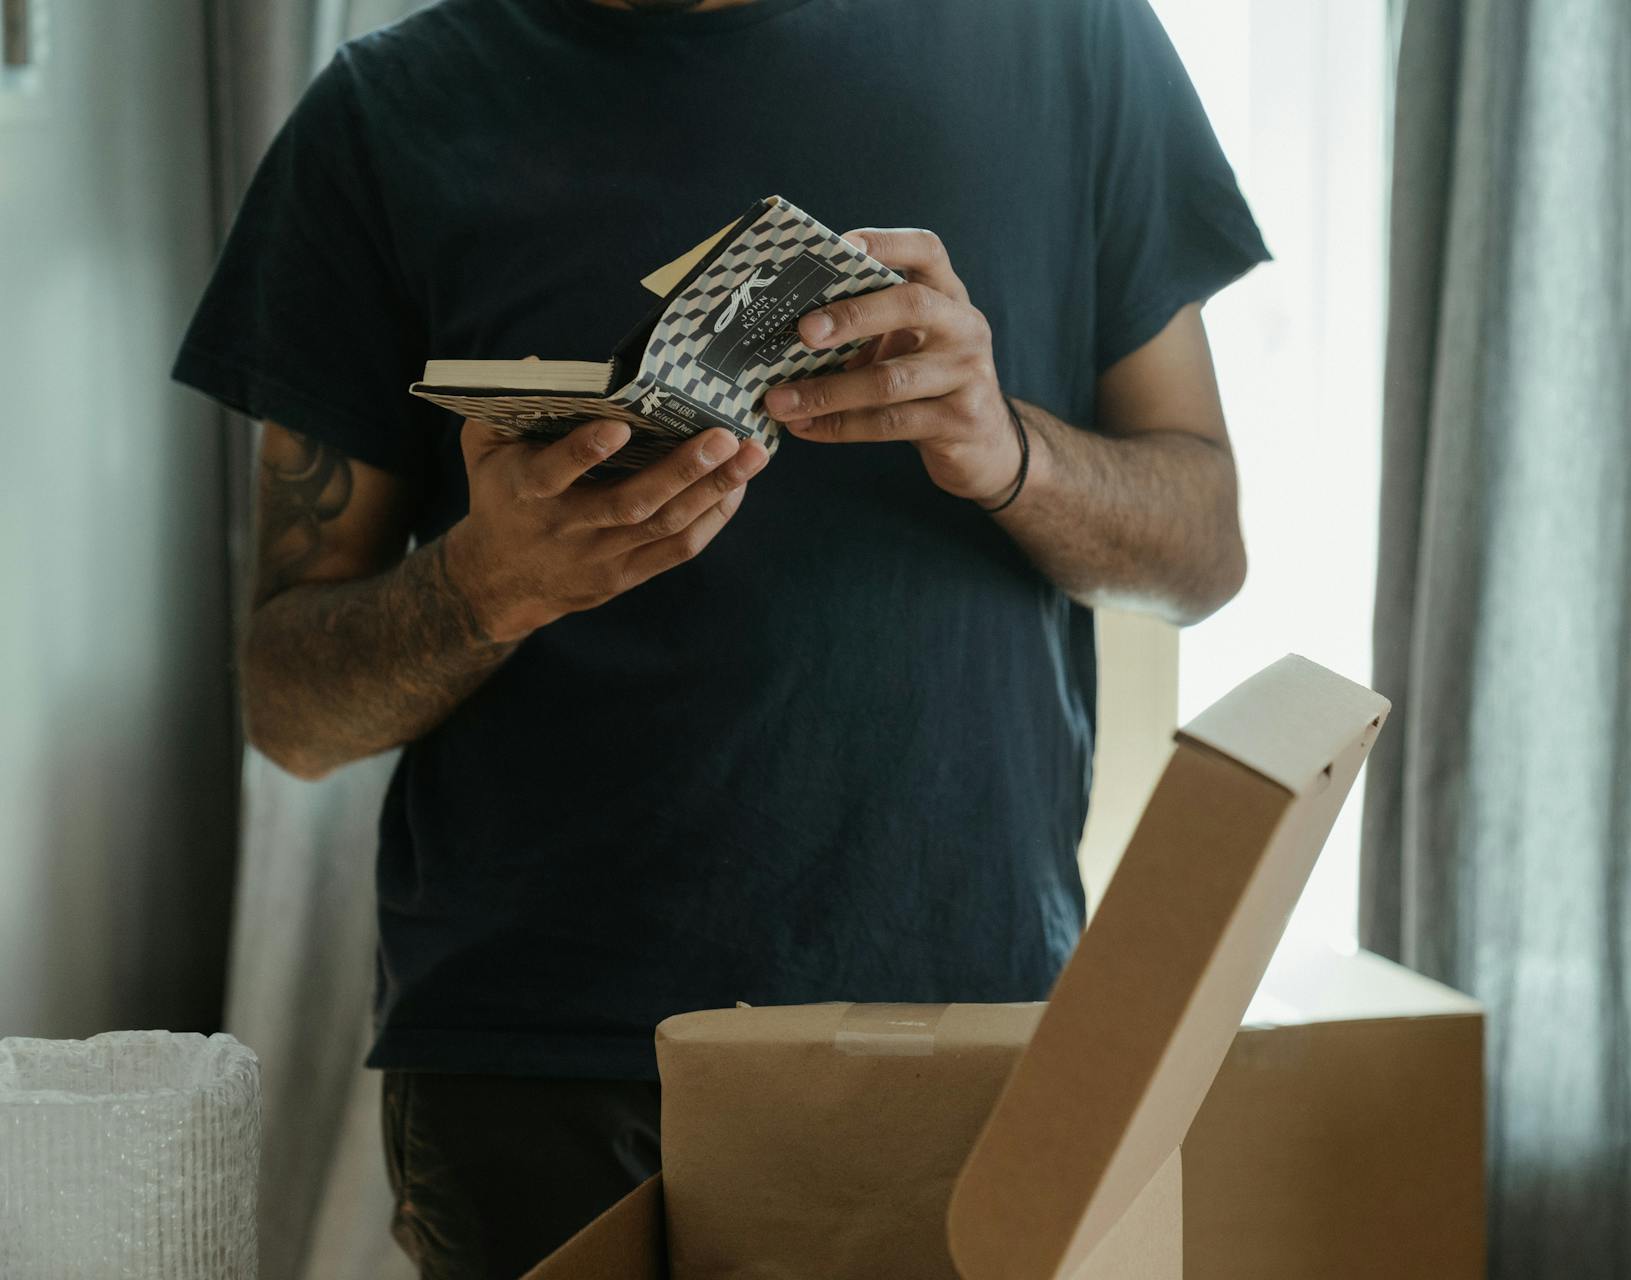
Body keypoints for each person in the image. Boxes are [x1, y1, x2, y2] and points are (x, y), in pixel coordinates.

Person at [173, 0, 1269, 1273]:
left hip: (963, 1043)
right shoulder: (380, 117)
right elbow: (289, 706)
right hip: (540, 1073)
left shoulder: (1071, 41)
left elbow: (1205, 550)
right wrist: (485, 586)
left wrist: (1008, 452)